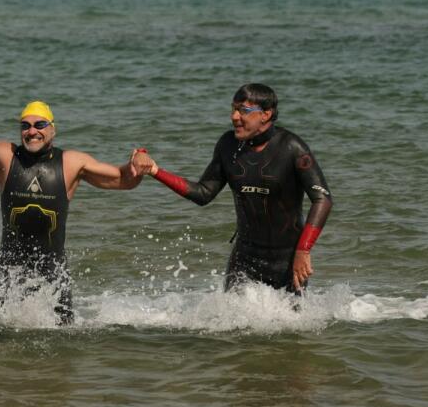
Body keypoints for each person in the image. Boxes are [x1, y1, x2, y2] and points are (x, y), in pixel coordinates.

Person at [0, 73, 144, 323]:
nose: (32, 131)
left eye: (39, 125)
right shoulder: (5, 155)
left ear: (53, 130)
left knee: (62, 344)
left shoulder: (72, 163)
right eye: (25, 125)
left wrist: (138, 161)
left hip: (53, 274)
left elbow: (124, 180)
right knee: (1, 341)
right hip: (8, 271)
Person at [132, 83, 332, 293]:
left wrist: (303, 251)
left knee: (293, 324)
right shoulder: (228, 145)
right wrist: (154, 170)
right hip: (244, 258)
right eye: (233, 109)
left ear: (265, 114)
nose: (234, 117)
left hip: (287, 259)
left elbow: (323, 200)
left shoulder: (292, 148)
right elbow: (203, 193)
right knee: (231, 323)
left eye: (243, 111)